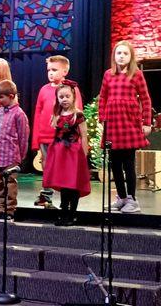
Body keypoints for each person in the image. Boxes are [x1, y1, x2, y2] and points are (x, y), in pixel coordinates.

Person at [98, 40, 152, 213]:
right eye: (118, 53)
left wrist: (147, 122)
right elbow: (103, 97)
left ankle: (132, 200)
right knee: (114, 164)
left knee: (128, 163)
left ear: (131, 57)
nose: (121, 56)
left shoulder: (136, 74)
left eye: (125, 53)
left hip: (129, 122)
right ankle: (121, 197)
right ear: (114, 56)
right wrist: (102, 117)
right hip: (113, 123)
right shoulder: (108, 74)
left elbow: (145, 99)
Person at [31, 55, 83, 207]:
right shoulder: (43, 90)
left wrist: (75, 138)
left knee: (63, 167)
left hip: (63, 137)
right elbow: (38, 114)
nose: (51, 73)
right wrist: (36, 140)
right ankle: (46, 194)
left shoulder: (72, 90)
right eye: (49, 70)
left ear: (65, 70)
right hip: (45, 136)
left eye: (54, 69)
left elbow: (77, 113)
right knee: (47, 165)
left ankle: (65, 198)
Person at [43, 80, 91, 226]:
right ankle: (63, 213)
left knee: (73, 184)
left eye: (67, 96)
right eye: (61, 97)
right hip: (60, 153)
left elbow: (84, 136)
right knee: (64, 185)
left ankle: (72, 214)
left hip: (74, 154)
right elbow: (55, 134)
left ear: (73, 97)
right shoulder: (57, 115)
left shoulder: (78, 115)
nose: (64, 99)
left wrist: (83, 154)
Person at [0, 80, 29, 222]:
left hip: (11, 155)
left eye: (1, 97)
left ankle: (10, 210)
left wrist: (20, 156)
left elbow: (23, 136)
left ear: (11, 96)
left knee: (10, 183)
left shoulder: (19, 114)